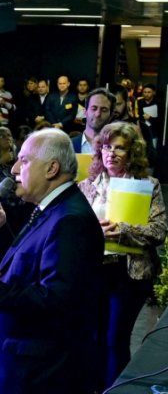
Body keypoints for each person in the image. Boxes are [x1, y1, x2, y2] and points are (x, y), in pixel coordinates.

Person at [0, 128, 105, 394]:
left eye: (25, 160)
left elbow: (56, 298)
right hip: (23, 362)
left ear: (51, 168)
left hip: (39, 373)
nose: (14, 169)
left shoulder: (70, 220)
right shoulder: (54, 207)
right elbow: (27, 263)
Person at [78, 122, 167, 389]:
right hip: (94, 271)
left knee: (115, 338)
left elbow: (159, 230)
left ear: (132, 153)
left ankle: (115, 389)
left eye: (120, 148)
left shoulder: (147, 185)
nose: (112, 153)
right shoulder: (86, 185)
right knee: (93, 336)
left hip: (130, 272)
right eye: (107, 146)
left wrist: (122, 231)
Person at [71, 88, 115, 154]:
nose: (98, 114)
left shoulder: (116, 147)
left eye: (104, 110)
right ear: (85, 112)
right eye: (94, 108)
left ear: (111, 115)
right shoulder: (69, 145)